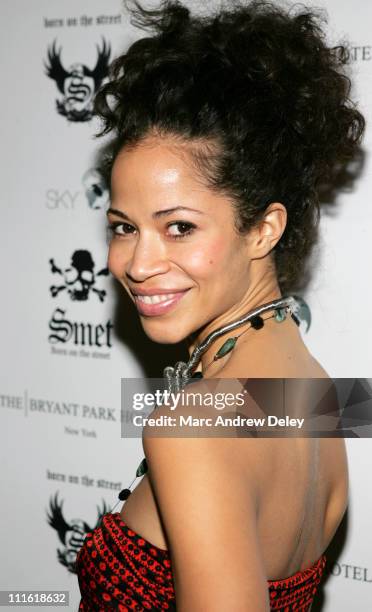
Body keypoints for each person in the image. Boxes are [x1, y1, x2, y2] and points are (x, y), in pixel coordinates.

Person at [76, 0, 365, 610]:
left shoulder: (194, 429)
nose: (137, 262)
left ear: (263, 229)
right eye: (124, 226)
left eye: (178, 227)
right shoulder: (313, 391)